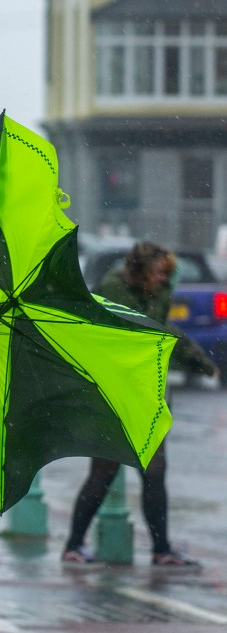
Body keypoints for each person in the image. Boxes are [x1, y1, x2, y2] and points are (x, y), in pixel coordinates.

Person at [62, 240, 218, 569]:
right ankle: (74, 545)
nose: (165, 281)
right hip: (114, 395)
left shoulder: (157, 293)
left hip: (145, 395)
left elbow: (164, 331)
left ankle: (162, 549)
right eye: (161, 273)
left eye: (167, 275)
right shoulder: (112, 290)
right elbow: (139, 332)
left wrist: (200, 362)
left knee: (155, 470)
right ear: (141, 270)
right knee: (103, 471)